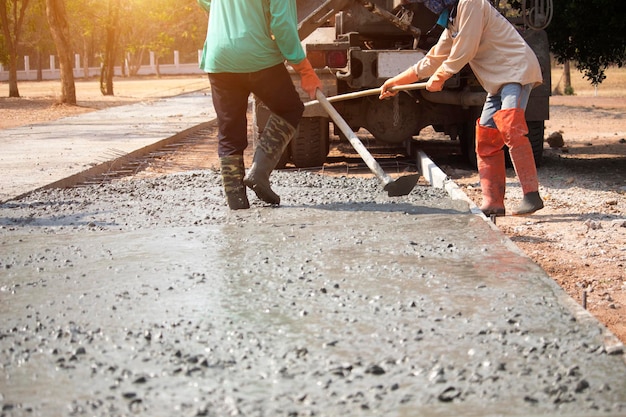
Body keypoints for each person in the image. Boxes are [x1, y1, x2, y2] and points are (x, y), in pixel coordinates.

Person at [380, 0, 544, 216]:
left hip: (515, 71)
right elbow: (432, 59)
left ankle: (531, 195)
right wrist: (397, 82)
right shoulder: (453, 20)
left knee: (511, 127)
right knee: (486, 138)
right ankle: (494, 202)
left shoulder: (471, 3)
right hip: (497, 83)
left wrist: (441, 77)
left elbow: (465, 48)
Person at [197, 0, 321, 209]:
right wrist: (305, 70)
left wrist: (233, 16)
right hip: (258, 56)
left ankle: (236, 202)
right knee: (290, 108)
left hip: (219, 58)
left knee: (229, 130)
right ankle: (259, 172)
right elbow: (282, 26)